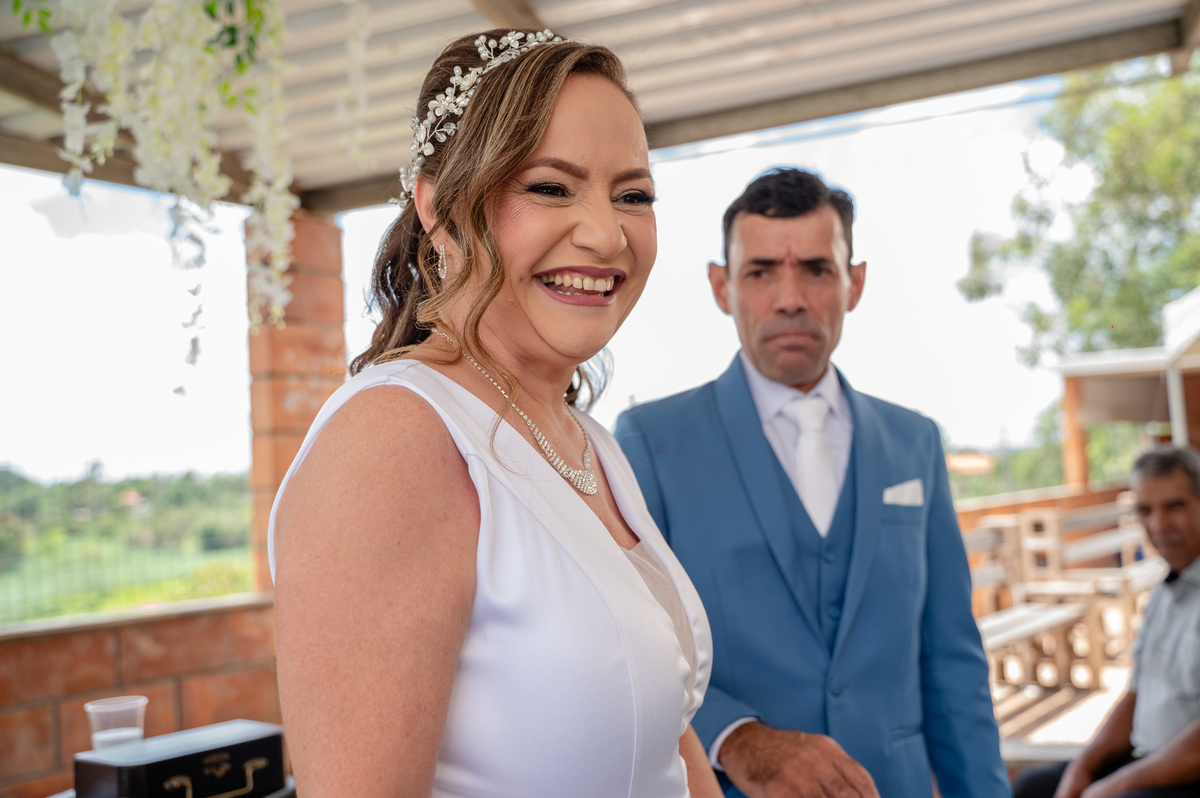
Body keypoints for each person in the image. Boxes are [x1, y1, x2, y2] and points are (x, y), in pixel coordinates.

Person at [268, 29, 721, 798]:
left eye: (633, 195)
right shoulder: (395, 441)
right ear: (440, 211)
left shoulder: (587, 442)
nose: (608, 234)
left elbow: (666, 745)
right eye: (551, 187)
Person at [614, 167, 1009, 798]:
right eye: (762, 271)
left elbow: (953, 662)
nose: (790, 297)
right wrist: (736, 736)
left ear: (854, 284)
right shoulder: (646, 442)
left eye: (817, 270)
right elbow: (629, 648)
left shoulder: (915, 443)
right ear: (722, 287)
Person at [1012, 445, 1200, 798]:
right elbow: (1137, 694)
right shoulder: (1164, 593)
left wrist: (1112, 785)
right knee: (1033, 788)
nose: (1158, 525)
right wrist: (1082, 768)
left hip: (1189, 773)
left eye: (1174, 506)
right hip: (1147, 758)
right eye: (1145, 510)